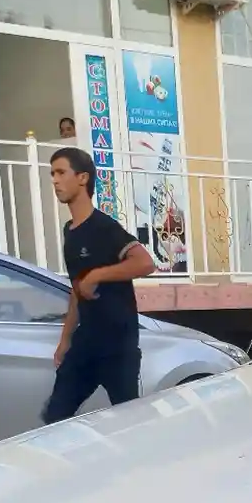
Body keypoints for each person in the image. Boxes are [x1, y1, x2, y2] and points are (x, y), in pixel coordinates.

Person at [42, 147, 156, 425]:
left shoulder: (104, 227)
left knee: (131, 422)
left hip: (118, 345)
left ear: (82, 178)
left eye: (61, 173)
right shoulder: (70, 231)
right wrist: (65, 339)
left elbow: (145, 263)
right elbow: (77, 288)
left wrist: (98, 276)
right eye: (52, 174)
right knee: (55, 417)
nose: (55, 180)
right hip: (86, 343)